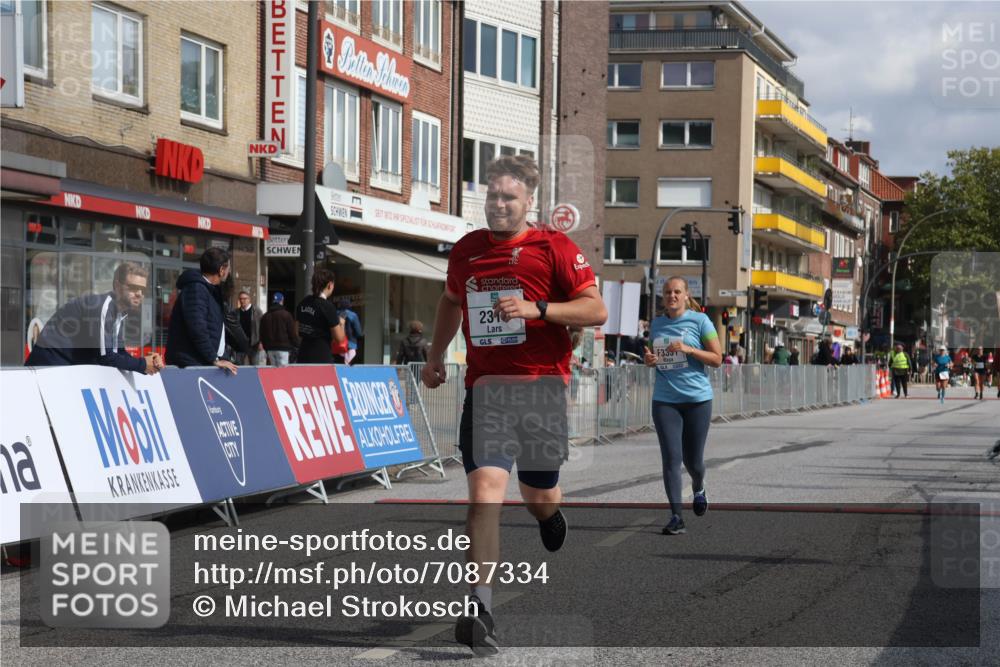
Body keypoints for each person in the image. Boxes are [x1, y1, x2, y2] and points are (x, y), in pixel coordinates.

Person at [420, 155, 606, 656]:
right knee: (484, 493)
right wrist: (435, 356)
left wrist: (536, 309)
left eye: (509, 197)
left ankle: (548, 515)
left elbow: (596, 309)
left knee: (538, 494)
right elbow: (450, 301)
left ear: (529, 202)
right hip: (488, 391)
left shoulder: (554, 247)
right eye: (493, 196)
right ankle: (480, 609)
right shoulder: (467, 251)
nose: (498, 205)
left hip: (542, 389)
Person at [644, 276, 722, 536]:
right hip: (665, 400)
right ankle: (676, 516)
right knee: (671, 459)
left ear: (687, 295)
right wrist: (649, 360)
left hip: (697, 400)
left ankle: (699, 486)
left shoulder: (701, 321)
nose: (672, 296)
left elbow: (717, 358)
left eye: (677, 292)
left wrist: (690, 350)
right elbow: (654, 356)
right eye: (667, 292)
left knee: (693, 461)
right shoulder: (657, 324)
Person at [25, 261, 161, 374]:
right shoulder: (103, 307)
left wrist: (147, 363)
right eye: (133, 287)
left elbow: (118, 352)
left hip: (64, 369)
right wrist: (142, 364)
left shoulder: (118, 312)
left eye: (143, 290)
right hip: (46, 368)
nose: (139, 294)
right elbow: (106, 357)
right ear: (117, 286)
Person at [165, 248, 239, 374]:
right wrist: (213, 358)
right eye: (228, 268)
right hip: (191, 364)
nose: (229, 272)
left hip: (203, 361)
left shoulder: (210, 290)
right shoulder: (196, 289)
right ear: (221, 270)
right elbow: (197, 328)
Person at [295, 269, 346, 364]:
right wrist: (342, 323)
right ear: (330, 285)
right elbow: (339, 339)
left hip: (303, 355)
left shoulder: (303, 303)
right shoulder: (327, 306)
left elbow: (297, 332)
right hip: (321, 356)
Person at [259, 292, 299, 367]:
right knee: (283, 372)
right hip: (283, 348)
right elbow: (292, 333)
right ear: (282, 301)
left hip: (270, 349)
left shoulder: (265, 316)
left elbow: (262, 334)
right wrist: (297, 345)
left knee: (273, 371)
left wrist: (266, 347)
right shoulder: (286, 315)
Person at [235, 290, 264, 365]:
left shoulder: (257, 311)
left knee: (254, 366)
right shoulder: (236, 312)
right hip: (240, 344)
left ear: (249, 299)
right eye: (240, 299)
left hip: (254, 343)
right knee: (238, 365)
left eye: (245, 299)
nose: (242, 301)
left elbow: (263, 327)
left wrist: (261, 342)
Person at [336, 297, 363, 365]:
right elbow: (358, 332)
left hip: (337, 344)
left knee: (338, 366)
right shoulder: (353, 315)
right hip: (351, 344)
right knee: (349, 366)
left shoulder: (335, 314)